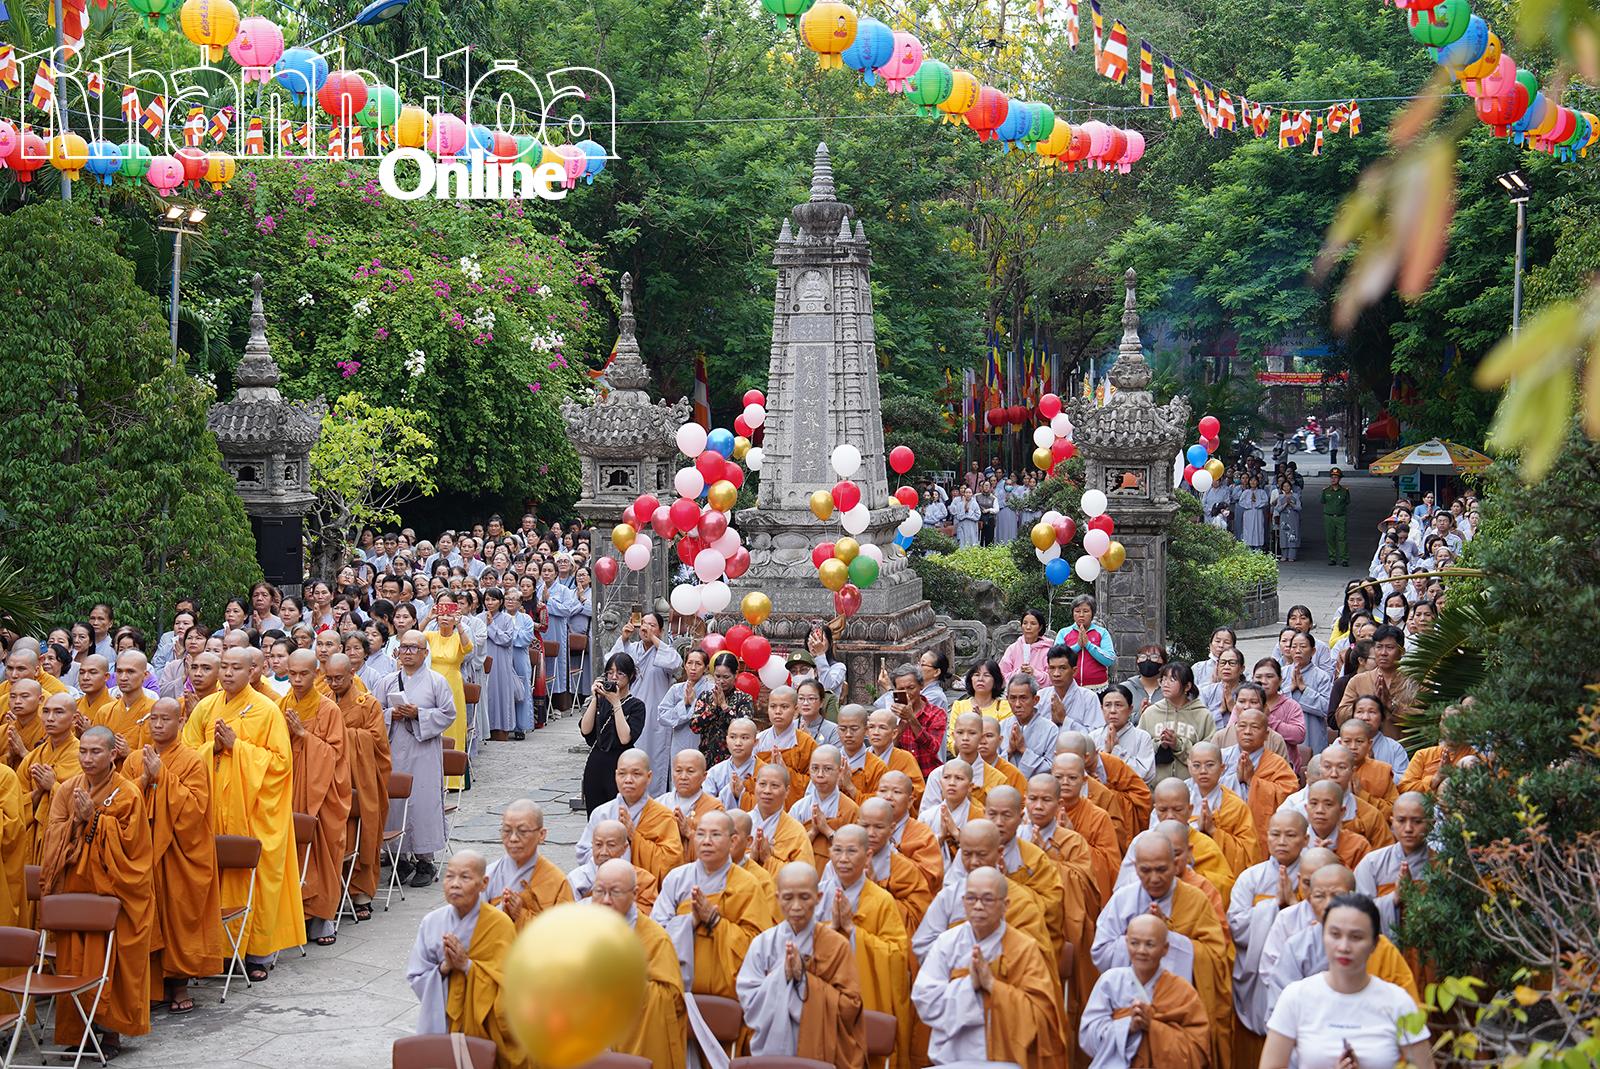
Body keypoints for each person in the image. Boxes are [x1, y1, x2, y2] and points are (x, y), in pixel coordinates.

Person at [181, 648, 302, 979]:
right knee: (212, 878)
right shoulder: (206, 707)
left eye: (237, 668)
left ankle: (258, 954)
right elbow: (186, 755)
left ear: (253, 672)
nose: (228, 673)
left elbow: (281, 763)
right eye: (225, 667)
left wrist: (238, 747)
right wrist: (213, 748)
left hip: (253, 811)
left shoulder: (267, 710)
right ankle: (217, 951)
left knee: (257, 879)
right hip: (211, 808)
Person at [37, 726, 154, 1057]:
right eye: (83, 751)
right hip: (75, 892)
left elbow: (134, 850)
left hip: (111, 894)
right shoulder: (67, 790)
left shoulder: (128, 793)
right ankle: (79, 1034)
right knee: (73, 962)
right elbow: (53, 838)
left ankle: (110, 1032)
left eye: (95, 752)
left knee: (112, 964)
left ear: (113, 754)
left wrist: (96, 821)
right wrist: (78, 821)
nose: (87, 758)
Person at [1092, 831, 1234, 1069]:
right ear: (1135, 868)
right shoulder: (1122, 900)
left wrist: (1167, 936)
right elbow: (1100, 952)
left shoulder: (1196, 900)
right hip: (1127, 1007)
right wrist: (1137, 940)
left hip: (1178, 1010)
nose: (1154, 878)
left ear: (1176, 864)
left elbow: (1215, 957)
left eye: (1161, 869)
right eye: (1146, 870)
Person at [910, 865, 1069, 1069]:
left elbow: (1039, 1015)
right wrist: (970, 985)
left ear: (1005, 905)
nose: (978, 906)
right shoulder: (946, 943)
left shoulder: (1023, 948)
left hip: (1007, 1061)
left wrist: (992, 985)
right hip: (951, 1059)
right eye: (971, 898)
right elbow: (925, 1001)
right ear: (963, 902)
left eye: (987, 899)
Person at [122, 697, 222, 1015]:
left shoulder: (192, 760)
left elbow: (196, 809)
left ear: (180, 722)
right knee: (145, 916)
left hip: (177, 853)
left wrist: (162, 778)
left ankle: (179, 985)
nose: (158, 724)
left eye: (165, 719)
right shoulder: (134, 760)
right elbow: (121, 801)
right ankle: (153, 986)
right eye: (153, 718)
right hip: (142, 851)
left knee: (177, 915)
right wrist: (145, 778)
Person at [1261, 893, 1432, 1069]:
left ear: (1375, 943)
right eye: (1335, 935)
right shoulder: (1296, 997)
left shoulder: (1398, 1001)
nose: (1344, 947)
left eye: (1356, 937)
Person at [736, 861, 866, 1069]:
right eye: (788, 898)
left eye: (804, 897)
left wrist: (804, 980)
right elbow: (748, 999)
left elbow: (850, 1007)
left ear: (818, 898)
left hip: (820, 1048)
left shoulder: (836, 945)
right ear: (777, 898)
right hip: (771, 1045)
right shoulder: (762, 943)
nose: (796, 906)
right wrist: (782, 977)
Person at [404, 850, 519, 1063]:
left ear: (484, 883)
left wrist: (466, 966)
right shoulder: (432, 922)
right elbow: (416, 976)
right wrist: (444, 969)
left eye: (465, 877)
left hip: (488, 1029)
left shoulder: (500, 925)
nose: (455, 884)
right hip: (445, 1022)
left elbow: (512, 988)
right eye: (449, 876)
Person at [651, 809, 775, 1001]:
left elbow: (759, 946)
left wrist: (715, 921)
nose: (706, 841)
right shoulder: (676, 878)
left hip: (730, 997)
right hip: (677, 993)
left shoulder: (748, 884)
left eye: (715, 834)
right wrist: (690, 922)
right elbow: (656, 935)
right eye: (700, 834)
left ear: (733, 841)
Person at [279, 649, 352, 947]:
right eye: (292, 673)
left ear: (316, 674)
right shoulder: (281, 705)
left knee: (322, 852)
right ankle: (296, 918)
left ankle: (323, 918)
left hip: (320, 792)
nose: (297, 680)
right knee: (291, 854)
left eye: (303, 674)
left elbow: (336, 755)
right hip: (289, 787)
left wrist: (304, 735)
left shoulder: (328, 709)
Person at [590, 858, 688, 1069]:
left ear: (634, 894)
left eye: (615, 892)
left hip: (636, 1043)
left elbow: (671, 999)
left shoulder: (655, 939)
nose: (605, 900)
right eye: (599, 891)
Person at [1079, 914, 1210, 1069]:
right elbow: (1087, 1039)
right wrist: (1127, 1027)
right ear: (1126, 944)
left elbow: (1197, 1051)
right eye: (1134, 943)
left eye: (1150, 944)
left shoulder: (1182, 991)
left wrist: (1153, 1027)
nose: (1141, 951)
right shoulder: (1109, 982)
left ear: (1165, 949)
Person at [574, 749, 684, 882]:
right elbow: (583, 852)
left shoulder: (663, 816)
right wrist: (607, 857)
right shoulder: (602, 813)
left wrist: (634, 836)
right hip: (605, 886)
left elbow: (671, 863)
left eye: (636, 774)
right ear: (616, 775)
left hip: (645, 889)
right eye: (622, 774)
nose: (628, 780)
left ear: (649, 777)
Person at [486, 799, 574, 928]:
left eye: (522, 831)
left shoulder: (556, 881)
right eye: (507, 831)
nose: (513, 838)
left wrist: (520, 915)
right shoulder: (488, 876)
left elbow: (565, 931)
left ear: (541, 835)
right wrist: (500, 911)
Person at [580, 652, 648, 813]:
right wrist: (595, 698)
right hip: (596, 764)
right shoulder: (601, 701)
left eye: (620, 673)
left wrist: (616, 703)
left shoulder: (636, 706)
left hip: (621, 765)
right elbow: (585, 729)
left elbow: (625, 738)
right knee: (595, 815)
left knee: (619, 815)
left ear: (630, 676)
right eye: (610, 673)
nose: (614, 677)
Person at [607, 611, 683, 739]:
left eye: (652, 625)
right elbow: (611, 663)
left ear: (661, 631)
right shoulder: (631, 649)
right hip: (632, 707)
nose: (646, 628)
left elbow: (675, 663)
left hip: (654, 709)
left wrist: (652, 637)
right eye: (644, 624)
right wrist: (624, 638)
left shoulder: (664, 651)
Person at [422, 593, 472, 787]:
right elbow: (412, 638)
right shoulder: (430, 636)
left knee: (453, 728)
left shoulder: (459, 637)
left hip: (452, 684)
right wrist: (428, 617)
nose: (445, 618)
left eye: (449, 615)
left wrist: (459, 625)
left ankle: (453, 779)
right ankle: (431, 777)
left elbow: (468, 648)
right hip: (430, 684)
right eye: (442, 614)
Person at [1136, 663, 1213, 782]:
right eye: (1163, 679)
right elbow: (1139, 749)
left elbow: (1209, 756)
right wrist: (1159, 745)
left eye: (1172, 680)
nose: (1165, 684)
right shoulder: (1150, 713)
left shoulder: (1203, 715)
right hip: (1155, 787)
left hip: (1191, 786)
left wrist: (1178, 745)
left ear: (1187, 686)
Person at [789, 745, 859, 871]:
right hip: (802, 875)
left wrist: (827, 830)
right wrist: (813, 832)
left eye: (827, 769)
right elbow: (788, 850)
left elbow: (856, 852)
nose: (820, 775)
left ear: (840, 772)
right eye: (815, 768)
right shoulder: (799, 808)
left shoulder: (851, 809)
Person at [652, 649, 713, 789]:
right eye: (690, 663)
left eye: (698, 664)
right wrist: (684, 704)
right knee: (679, 781)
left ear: (705, 668)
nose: (693, 668)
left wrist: (694, 703)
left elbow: (710, 716)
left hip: (703, 743)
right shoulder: (676, 690)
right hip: (680, 742)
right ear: (685, 665)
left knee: (702, 783)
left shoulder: (711, 690)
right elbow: (662, 716)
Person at [1093, 684, 1156, 785]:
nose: (1112, 711)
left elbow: (1146, 774)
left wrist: (1117, 750)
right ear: (1101, 708)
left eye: (1118, 705)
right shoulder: (1093, 737)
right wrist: (1105, 754)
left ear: (1130, 709)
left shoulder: (1142, 737)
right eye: (1107, 705)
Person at [1059, 595, 1116, 689]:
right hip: (1069, 687)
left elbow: (1109, 659)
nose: (1081, 615)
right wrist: (1077, 646)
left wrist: (1088, 645)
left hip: (1097, 687)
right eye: (1077, 611)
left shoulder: (1102, 632)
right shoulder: (1064, 632)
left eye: (1086, 611)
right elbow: (1057, 657)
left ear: (1092, 613)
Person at [705, 716, 760, 810]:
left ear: (755, 742)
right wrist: (729, 791)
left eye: (744, 738)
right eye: (733, 737)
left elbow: (770, 806)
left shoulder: (764, 771)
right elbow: (706, 806)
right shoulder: (715, 772)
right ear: (726, 740)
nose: (738, 743)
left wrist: (742, 794)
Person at [835, 704, 887, 799]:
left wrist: (849, 786)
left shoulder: (878, 767)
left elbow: (879, 803)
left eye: (854, 729)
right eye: (843, 729)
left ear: (866, 730)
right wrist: (834, 786)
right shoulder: (829, 761)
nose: (848, 734)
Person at [999, 609, 1054, 683]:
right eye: (1025, 623)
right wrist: (1019, 673)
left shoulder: (1048, 651)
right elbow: (1001, 675)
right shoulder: (1013, 649)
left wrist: (1034, 673)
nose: (1028, 627)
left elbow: (1053, 678)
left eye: (1033, 624)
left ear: (1040, 627)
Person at [1120, 645, 1167, 715]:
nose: (1148, 660)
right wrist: (1139, 715)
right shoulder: (1124, 688)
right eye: (1142, 657)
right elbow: (1118, 716)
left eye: (1154, 657)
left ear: (1164, 663)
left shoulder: (1169, 688)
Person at [1322, 467, 1351, 567]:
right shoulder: (1326, 491)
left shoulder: (1344, 491)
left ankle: (1344, 558)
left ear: (1339, 479)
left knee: (1342, 538)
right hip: (1328, 517)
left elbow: (1347, 502)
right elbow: (1323, 501)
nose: (1333, 479)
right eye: (1332, 477)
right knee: (1330, 537)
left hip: (1340, 517)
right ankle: (1332, 558)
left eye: (1336, 477)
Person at [1274, 477, 1303, 561]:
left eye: (1288, 486)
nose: (1286, 488)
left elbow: (1299, 507)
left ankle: (1292, 556)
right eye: (1284, 486)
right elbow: (1278, 509)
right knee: (1284, 535)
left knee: (1293, 535)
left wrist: (1292, 504)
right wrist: (1285, 504)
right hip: (1284, 518)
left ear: (1290, 487)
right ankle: (1284, 555)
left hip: (1293, 517)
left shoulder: (1295, 496)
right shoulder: (1280, 497)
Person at [1238, 474, 1269, 550]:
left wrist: (1256, 503)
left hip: (1258, 513)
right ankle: (1248, 548)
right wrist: (1249, 503)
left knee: (1258, 529)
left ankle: (1258, 549)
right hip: (1248, 513)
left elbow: (1266, 501)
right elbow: (1241, 502)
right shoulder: (1246, 492)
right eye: (1251, 480)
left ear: (1257, 482)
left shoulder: (1261, 492)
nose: (1253, 482)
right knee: (1248, 530)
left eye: (1255, 480)